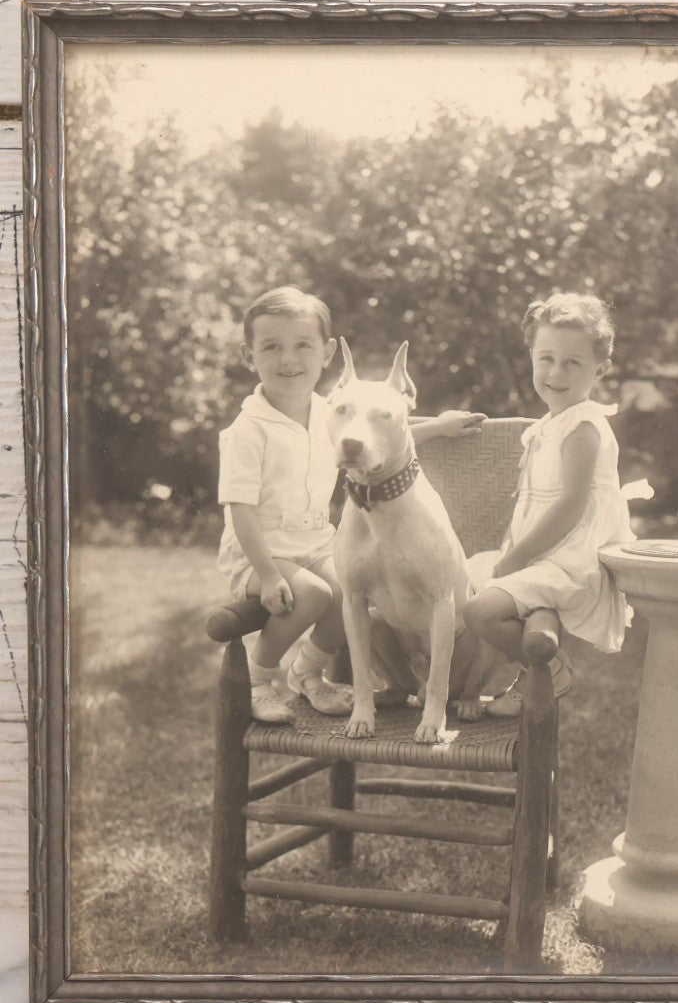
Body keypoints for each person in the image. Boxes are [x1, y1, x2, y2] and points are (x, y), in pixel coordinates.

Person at [218, 284, 484, 723]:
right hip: (260, 552)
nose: (288, 359)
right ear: (250, 358)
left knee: (348, 594)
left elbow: (379, 440)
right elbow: (239, 509)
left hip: (312, 543)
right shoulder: (248, 430)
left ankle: (306, 673)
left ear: (325, 355)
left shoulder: (332, 412)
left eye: (302, 345)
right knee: (316, 591)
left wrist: (436, 426)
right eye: (272, 347)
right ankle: (259, 679)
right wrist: (266, 573)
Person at [464, 291, 650, 718]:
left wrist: (517, 556)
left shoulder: (583, 427)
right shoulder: (549, 425)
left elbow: (569, 507)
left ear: (599, 370)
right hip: (543, 555)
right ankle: (463, 683)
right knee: (462, 582)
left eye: (573, 363)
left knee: (482, 611)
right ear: (532, 356)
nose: (556, 372)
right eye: (546, 358)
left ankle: (549, 669)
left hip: (570, 559)